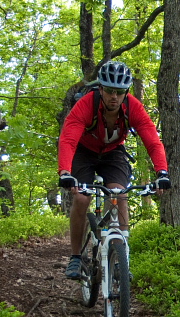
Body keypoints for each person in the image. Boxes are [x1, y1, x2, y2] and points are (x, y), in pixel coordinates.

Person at [57, 61, 170, 279]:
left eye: (119, 92)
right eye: (109, 90)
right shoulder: (86, 104)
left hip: (113, 153)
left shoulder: (133, 107)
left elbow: (152, 141)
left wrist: (162, 173)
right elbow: (69, 139)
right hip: (84, 151)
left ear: (126, 92)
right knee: (81, 198)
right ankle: (75, 257)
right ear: (100, 88)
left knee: (120, 195)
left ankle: (120, 258)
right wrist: (65, 172)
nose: (113, 97)